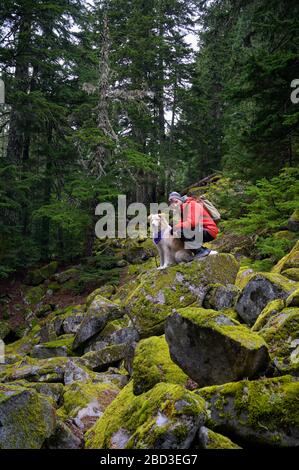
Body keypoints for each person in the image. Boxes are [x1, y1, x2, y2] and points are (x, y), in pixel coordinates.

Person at [168, 191, 219, 258]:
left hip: (209, 230)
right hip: (200, 229)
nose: (174, 205)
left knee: (181, 231)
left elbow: (192, 222)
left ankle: (201, 251)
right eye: (172, 204)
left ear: (180, 200)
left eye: (176, 201)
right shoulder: (181, 209)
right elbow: (181, 223)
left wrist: (175, 227)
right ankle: (202, 251)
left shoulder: (192, 204)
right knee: (179, 232)